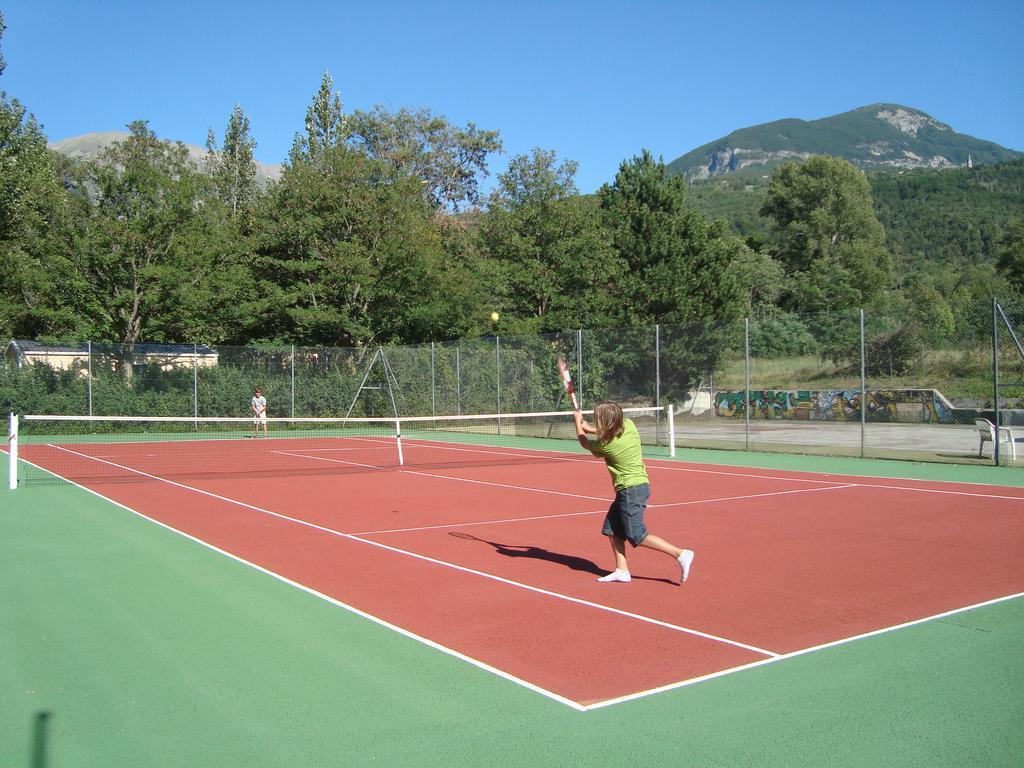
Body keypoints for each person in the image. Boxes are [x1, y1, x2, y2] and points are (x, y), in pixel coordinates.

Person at [573, 400, 694, 585]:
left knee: (636, 534)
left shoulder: (606, 446)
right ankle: (622, 570)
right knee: (612, 529)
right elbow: (604, 431)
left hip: (630, 491)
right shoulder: (629, 425)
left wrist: (578, 424)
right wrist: (586, 425)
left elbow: (584, 443)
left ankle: (680, 554)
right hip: (638, 486)